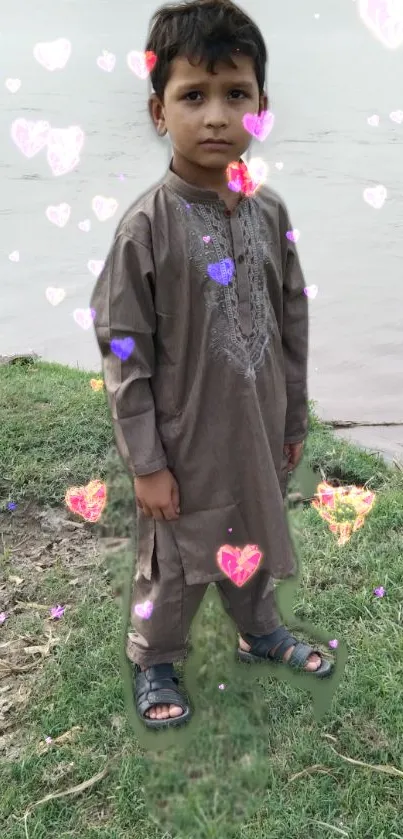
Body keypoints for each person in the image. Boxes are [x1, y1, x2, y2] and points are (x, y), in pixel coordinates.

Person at [90, 0, 334, 730]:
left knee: (253, 529)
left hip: (256, 426)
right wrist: (145, 460)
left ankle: (259, 629)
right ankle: (155, 654)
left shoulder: (268, 212)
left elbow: (291, 319)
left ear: (262, 109)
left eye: (237, 94)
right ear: (158, 111)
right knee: (172, 554)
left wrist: (291, 417)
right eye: (193, 95)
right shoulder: (146, 228)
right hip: (180, 434)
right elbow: (123, 346)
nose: (217, 116)